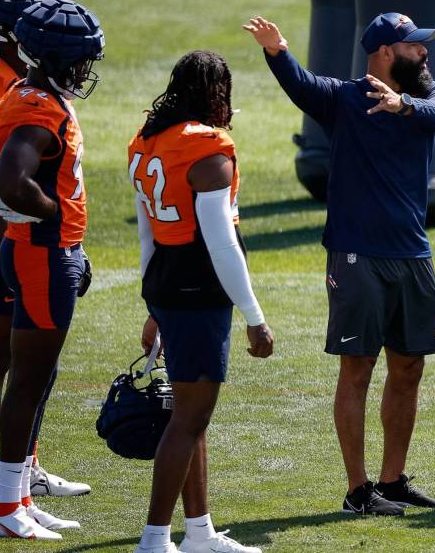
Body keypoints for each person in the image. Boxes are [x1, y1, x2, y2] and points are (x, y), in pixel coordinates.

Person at [244, 12, 435, 516]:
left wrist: (402, 103)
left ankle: (393, 480)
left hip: (413, 255)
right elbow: (299, 85)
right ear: (385, 53)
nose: (424, 53)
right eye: (413, 47)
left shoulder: (429, 96)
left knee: (409, 367)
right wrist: (277, 51)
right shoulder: (344, 98)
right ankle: (358, 491)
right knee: (357, 369)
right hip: (357, 255)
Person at [129, 51, 275, 553]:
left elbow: (148, 232)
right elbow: (220, 242)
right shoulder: (207, 148)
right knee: (189, 419)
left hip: (167, 280)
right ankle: (153, 540)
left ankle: (198, 533)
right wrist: (255, 317)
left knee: (191, 418)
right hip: (198, 287)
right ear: (218, 93)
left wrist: (154, 304)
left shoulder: (148, 139)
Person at [0, 0, 102, 541]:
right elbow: (11, 181)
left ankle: (17, 497)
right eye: (83, 59)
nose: (87, 69)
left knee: (30, 379)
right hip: (40, 252)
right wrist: (55, 211)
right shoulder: (37, 109)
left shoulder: (28, 90)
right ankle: (6, 504)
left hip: (33, 250)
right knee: (29, 381)